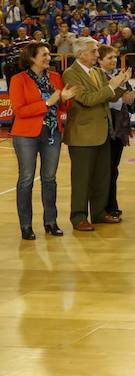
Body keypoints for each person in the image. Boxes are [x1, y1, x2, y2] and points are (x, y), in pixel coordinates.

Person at [62, 37, 132, 231]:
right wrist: (111, 86)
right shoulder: (71, 74)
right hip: (82, 134)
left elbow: (111, 94)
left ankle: (99, 212)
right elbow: (87, 99)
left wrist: (122, 84)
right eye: (93, 51)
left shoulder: (97, 72)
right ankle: (79, 217)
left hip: (102, 132)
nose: (96, 54)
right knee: (82, 179)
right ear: (80, 54)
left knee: (102, 176)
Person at [10, 42, 78, 240]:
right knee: (26, 179)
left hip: (51, 133)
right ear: (32, 57)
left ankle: (51, 221)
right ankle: (26, 225)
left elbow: (63, 107)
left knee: (49, 179)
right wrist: (48, 102)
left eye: (49, 54)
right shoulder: (18, 79)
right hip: (25, 135)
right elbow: (20, 111)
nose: (49, 58)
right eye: (44, 55)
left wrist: (65, 99)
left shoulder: (55, 77)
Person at [99, 44, 135, 219]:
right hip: (104, 127)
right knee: (105, 169)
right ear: (99, 60)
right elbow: (100, 100)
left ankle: (111, 204)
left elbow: (131, 106)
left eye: (115, 57)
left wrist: (129, 100)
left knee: (113, 168)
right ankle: (104, 206)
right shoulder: (97, 77)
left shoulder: (121, 77)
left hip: (119, 127)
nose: (113, 60)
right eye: (109, 58)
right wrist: (121, 98)